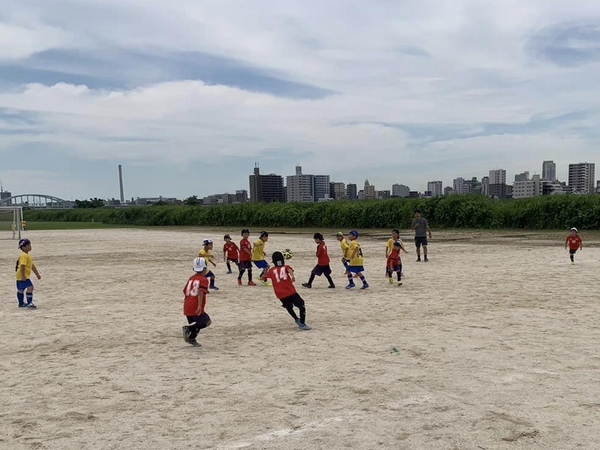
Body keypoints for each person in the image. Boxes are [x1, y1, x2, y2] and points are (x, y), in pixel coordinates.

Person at [262, 251, 311, 330]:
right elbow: (289, 270)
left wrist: (265, 273)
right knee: (301, 305)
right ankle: (302, 323)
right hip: (290, 291)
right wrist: (292, 276)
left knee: (288, 307)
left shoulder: (271, 270)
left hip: (279, 294)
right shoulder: (285, 267)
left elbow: (263, 277)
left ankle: (296, 319)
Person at [182, 257, 212, 347]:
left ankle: (191, 338)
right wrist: (199, 305)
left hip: (187, 305)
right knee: (207, 322)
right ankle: (189, 331)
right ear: (204, 268)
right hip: (195, 306)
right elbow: (200, 292)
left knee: (197, 323)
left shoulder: (191, 278)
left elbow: (184, 291)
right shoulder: (203, 279)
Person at [15, 238, 41, 309]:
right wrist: (23, 276)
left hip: (20, 276)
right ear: (23, 247)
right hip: (23, 276)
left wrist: (37, 274)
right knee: (30, 287)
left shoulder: (27, 255)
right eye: (28, 245)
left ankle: (21, 303)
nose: (30, 246)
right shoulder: (24, 255)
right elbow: (22, 266)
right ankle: (29, 303)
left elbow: (32, 265)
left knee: (21, 289)